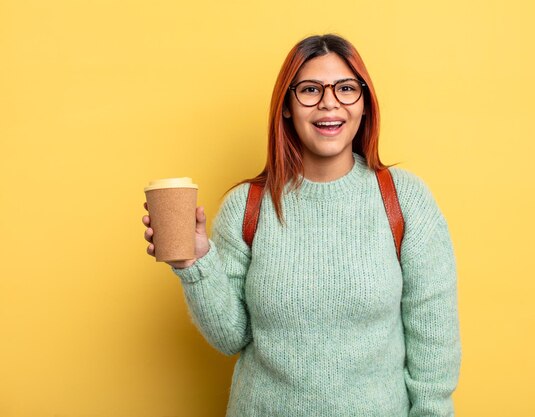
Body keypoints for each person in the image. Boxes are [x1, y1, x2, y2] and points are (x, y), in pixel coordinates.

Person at [142, 33, 461, 417]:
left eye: (346, 89)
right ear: (288, 106)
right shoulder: (247, 205)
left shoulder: (405, 200)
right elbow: (231, 338)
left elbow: (434, 339)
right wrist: (194, 264)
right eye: (310, 89)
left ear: (365, 104)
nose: (330, 103)